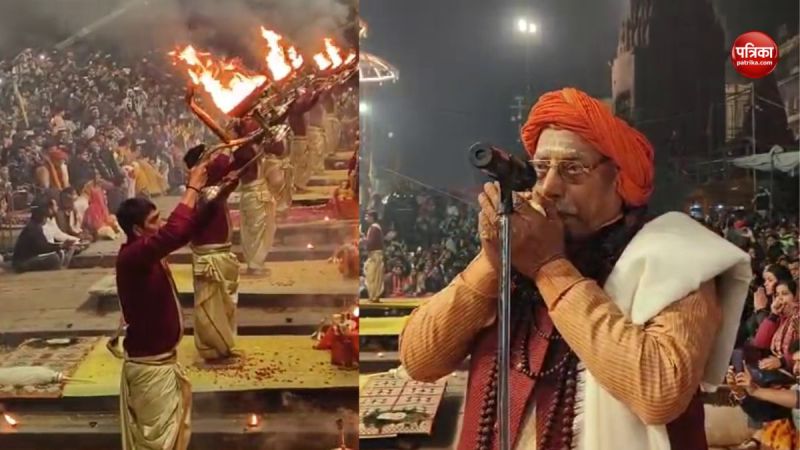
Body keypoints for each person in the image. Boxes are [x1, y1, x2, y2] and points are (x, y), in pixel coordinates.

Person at [398, 88, 752, 450]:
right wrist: (493, 261)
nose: (549, 187)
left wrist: (550, 268)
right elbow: (419, 359)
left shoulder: (673, 256)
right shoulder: (518, 250)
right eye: (540, 169)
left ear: (620, 178)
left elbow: (659, 392)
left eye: (573, 169)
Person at [110, 161, 207, 450]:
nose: (161, 225)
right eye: (155, 221)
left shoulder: (144, 252)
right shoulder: (133, 256)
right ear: (138, 230)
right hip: (150, 370)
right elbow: (174, 234)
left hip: (161, 364)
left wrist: (213, 192)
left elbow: (183, 230)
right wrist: (192, 188)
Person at [187, 151, 242, 361]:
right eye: (208, 157)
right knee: (211, 307)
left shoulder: (213, 188)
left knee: (224, 306)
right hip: (209, 257)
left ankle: (222, 346)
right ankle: (213, 348)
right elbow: (224, 163)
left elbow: (227, 169)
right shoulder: (203, 194)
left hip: (221, 255)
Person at [234, 119, 284, 276]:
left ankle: (257, 263)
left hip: (261, 191)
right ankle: (254, 265)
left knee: (267, 229)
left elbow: (278, 149)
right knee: (254, 232)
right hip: (253, 194)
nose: (256, 127)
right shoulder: (242, 150)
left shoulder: (256, 145)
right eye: (251, 125)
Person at [12, 199, 75, 272]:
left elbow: (43, 246)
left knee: (55, 256)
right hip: (22, 263)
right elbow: (42, 247)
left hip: (28, 260)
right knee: (53, 258)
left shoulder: (34, 226)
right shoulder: (33, 228)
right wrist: (61, 246)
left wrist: (61, 246)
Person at [363, 210, 384, 303]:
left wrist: (364, 241)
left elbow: (371, 243)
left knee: (373, 276)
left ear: (372, 217)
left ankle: (374, 296)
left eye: (367, 216)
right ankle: (373, 295)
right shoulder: (373, 228)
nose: (366, 218)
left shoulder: (374, 228)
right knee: (371, 275)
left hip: (375, 255)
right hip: (373, 255)